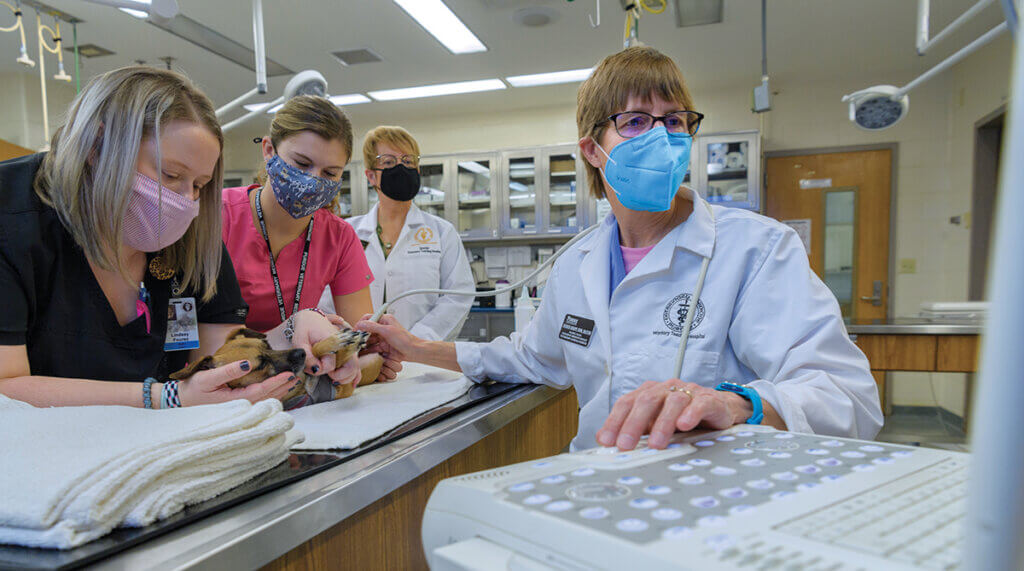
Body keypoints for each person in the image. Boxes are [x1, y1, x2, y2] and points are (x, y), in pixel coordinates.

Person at [358, 46, 883, 451]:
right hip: (599, 483)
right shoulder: (578, 264)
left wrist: (739, 403)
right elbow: (531, 357)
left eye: (674, 121)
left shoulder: (757, 249)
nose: (662, 137)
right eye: (634, 122)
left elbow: (847, 395)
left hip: (715, 503)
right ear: (592, 150)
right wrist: (415, 347)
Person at [0, 67, 359, 408]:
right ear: (98, 147)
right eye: (171, 175)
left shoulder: (193, 235)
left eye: (199, 186)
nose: (185, 201)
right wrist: (165, 398)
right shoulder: (14, 218)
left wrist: (295, 334)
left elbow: (223, 363)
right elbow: (6, 388)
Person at [221, 96, 399, 382]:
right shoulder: (219, 219)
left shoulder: (338, 237)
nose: (312, 181)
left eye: (329, 173)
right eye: (301, 164)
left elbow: (364, 353)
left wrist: (360, 362)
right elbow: (205, 358)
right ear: (269, 150)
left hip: (299, 380)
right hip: (226, 381)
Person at [321, 126, 473, 341]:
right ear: (371, 176)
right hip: (359, 355)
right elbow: (326, 296)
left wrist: (414, 342)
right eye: (389, 162)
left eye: (408, 161)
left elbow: (458, 297)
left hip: (422, 357)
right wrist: (355, 340)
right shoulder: (347, 233)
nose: (401, 168)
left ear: (417, 171)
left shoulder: (442, 233)